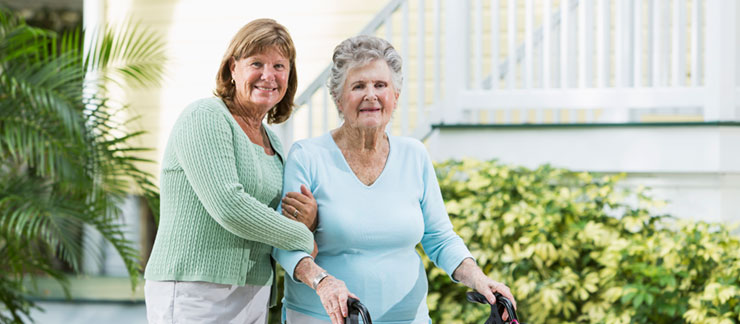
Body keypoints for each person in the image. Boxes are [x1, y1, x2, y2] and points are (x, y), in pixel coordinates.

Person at [273, 35, 516, 324]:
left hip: (409, 318)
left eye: (380, 85)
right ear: (339, 99)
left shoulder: (414, 155)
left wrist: (479, 278)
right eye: (358, 86)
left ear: (395, 96)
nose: (371, 95)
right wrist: (323, 282)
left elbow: (440, 237)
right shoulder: (308, 156)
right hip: (325, 317)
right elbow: (285, 243)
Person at [144, 19, 318, 324]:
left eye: (279, 65)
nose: (269, 75)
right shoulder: (206, 117)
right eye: (256, 63)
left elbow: (273, 215)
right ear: (233, 68)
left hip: (254, 291)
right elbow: (230, 206)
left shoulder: (272, 141)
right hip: (195, 290)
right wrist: (302, 236)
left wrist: (307, 217)